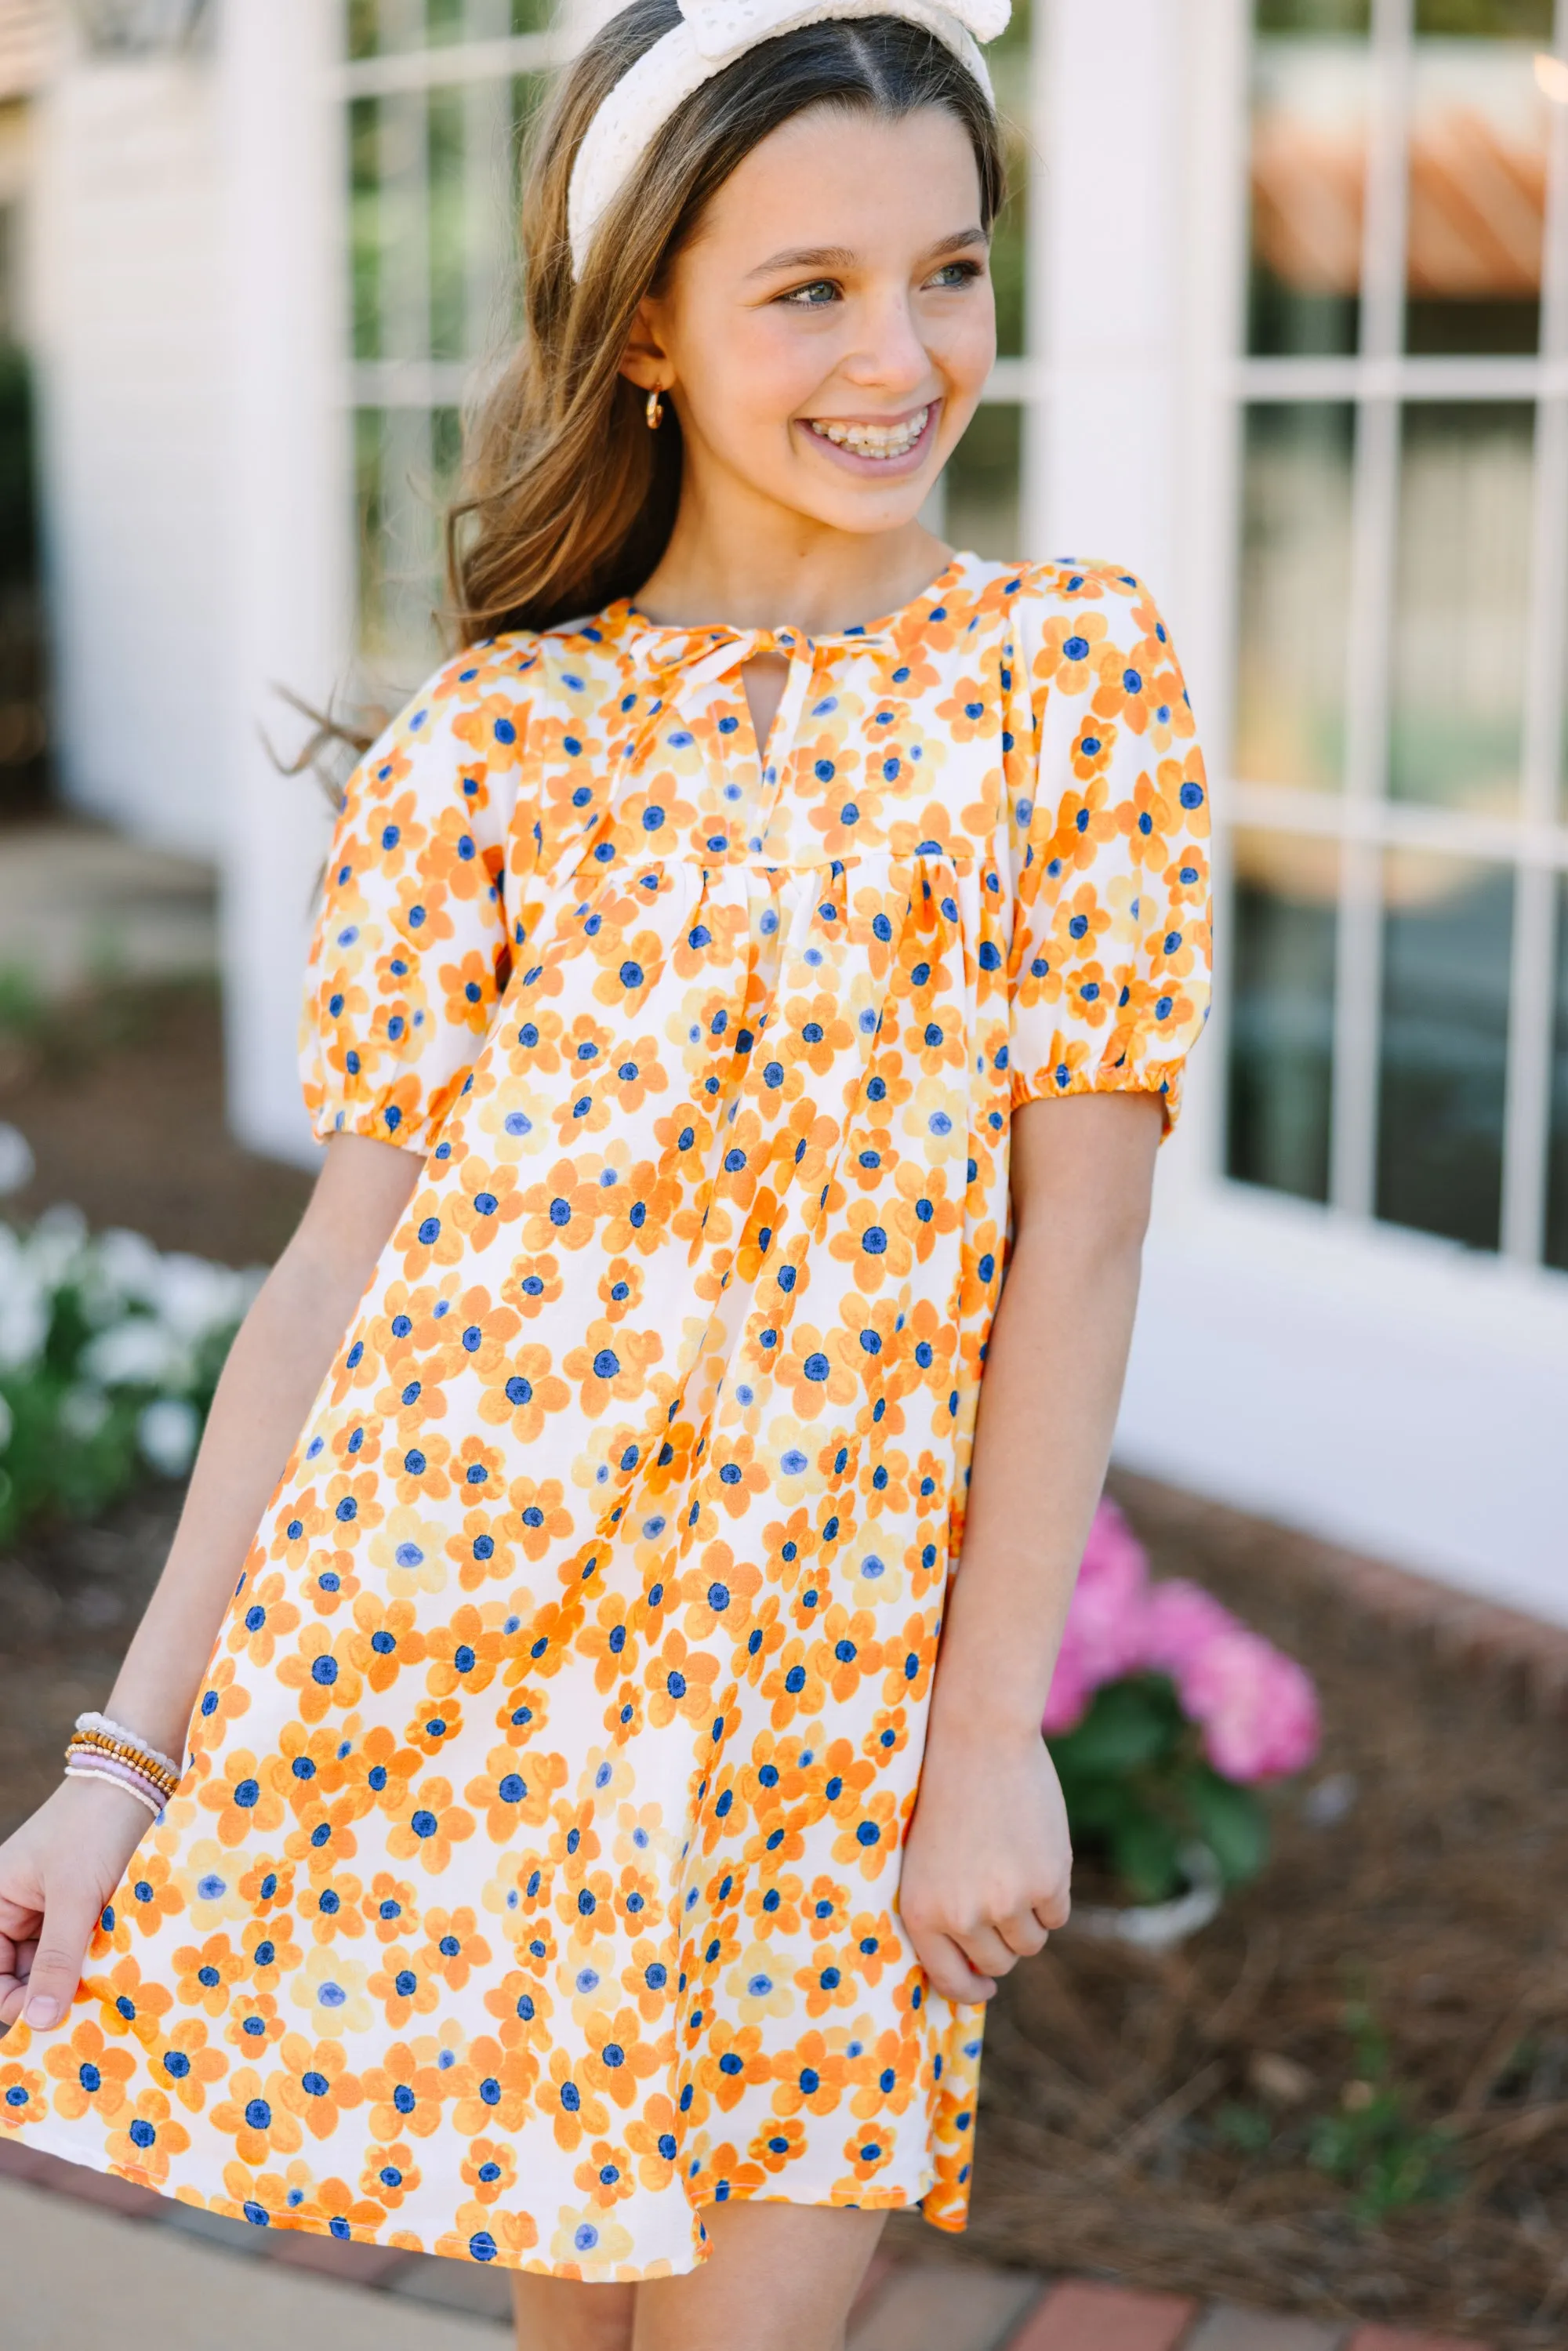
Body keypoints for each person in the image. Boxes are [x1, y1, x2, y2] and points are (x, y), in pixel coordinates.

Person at [0, 0, 1210, 2342]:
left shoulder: (1069, 684)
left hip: (836, 1720)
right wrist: (116, 1775)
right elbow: (339, 1285)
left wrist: (985, 1741)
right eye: (810, 287)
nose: (905, 351)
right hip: (486, 1684)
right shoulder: (497, 739)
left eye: (948, 270)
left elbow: (1086, 1243)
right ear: (645, 320)